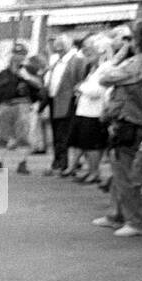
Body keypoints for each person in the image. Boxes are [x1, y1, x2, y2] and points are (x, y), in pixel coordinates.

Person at [97, 19, 142, 240]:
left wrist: (120, 55)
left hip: (132, 123)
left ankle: (134, 221)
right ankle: (116, 214)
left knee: (126, 173)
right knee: (121, 171)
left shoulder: (140, 62)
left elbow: (104, 77)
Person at [0, 42, 42, 175]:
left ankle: (22, 163)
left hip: (22, 105)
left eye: (21, 54)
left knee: (23, 136)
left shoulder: (30, 70)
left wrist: (26, 77)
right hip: (5, 105)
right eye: (15, 54)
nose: (17, 57)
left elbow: (39, 86)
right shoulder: (3, 73)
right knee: (3, 136)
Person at [73, 35, 113, 188]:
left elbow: (98, 90)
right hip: (86, 110)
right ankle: (91, 170)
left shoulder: (106, 67)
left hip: (95, 111)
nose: (88, 54)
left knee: (93, 145)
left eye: (92, 51)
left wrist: (81, 88)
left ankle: (95, 172)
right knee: (86, 144)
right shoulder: (93, 68)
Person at [45, 34, 86, 176]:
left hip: (67, 102)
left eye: (60, 48)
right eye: (57, 48)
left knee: (63, 134)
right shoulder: (57, 60)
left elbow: (81, 80)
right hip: (54, 100)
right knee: (57, 134)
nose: (58, 51)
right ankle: (58, 162)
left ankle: (62, 164)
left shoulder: (77, 60)